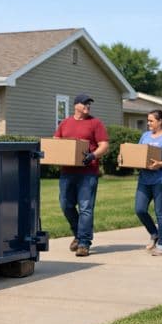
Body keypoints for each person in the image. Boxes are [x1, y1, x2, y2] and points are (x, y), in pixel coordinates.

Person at [54, 93, 109, 257]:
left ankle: (84, 243)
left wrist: (93, 155)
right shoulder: (65, 123)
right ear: (76, 105)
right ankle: (78, 234)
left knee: (85, 208)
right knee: (66, 205)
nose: (88, 106)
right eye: (85, 103)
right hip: (67, 172)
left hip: (88, 172)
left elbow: (104, 145)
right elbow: (56, 140)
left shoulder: (95, 123)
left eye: (89, 104)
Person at [135, 109, 162, 256]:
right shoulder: (145, 136)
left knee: (160, 212)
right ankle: (154, 233)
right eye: (148, 121)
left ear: (160, 122)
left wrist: (160, 164)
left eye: (151, 121)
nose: (148, 123)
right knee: (140, 209)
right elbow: (139, 154)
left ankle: (161, 245)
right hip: (144, 179)